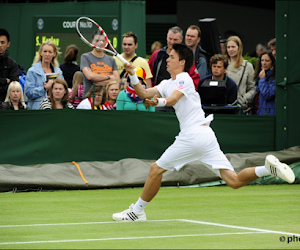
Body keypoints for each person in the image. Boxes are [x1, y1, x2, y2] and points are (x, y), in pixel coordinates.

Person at [112, 43, 295, 222]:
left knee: (155, 169)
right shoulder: (167, 83)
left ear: (182, 61)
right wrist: (133, 74)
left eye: (172, 57)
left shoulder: (184, 78)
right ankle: (267, 169)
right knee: (234, 181)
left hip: (193, 136)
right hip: (206, 136)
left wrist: (158, 103)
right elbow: (143, 93)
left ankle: (136, 212)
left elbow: (174, 98)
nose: (167, 59)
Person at [148, 26, 200, 112]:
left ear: (181, 39)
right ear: (166, 37)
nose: (172, 42)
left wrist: (183, 94)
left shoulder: (185, 57)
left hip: (179, 101)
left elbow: (194, 81)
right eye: (170, 39)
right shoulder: (157, 55)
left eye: (175, 40)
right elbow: (149, 75)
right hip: (160, 98)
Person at [25, 40, 63, 110]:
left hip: (54, 110)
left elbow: (63, 91)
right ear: (40, 53)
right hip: (37, 111)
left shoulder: (58, 72)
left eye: (50, 52)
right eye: (45, 51)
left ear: (54, 54)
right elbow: (29, 93)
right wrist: (44, 88)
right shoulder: (32, 71)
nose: (47, 54)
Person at [81, 30, 120, 98]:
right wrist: (109, 77)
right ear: (92, 41)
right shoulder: (85, 57)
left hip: (107, 101)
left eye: (102, 41)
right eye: (97, 40)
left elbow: (117, 80)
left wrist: (95, 79)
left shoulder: (111, 60)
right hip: (90, 99)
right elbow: (89, 76)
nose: (99, 43)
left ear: (106, 43)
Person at [223, 36, 256, 108]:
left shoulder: (247, 66)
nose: (230, 49)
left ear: (239, 48)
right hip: (224, 105)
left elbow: (253, 88)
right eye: (228, 47)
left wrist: (243, 99)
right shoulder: (222, 65)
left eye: (233, 47)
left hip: (240, 106)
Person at [250, 51, 276, 115]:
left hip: (268, 114)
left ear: (272, 63)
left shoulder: (274, 78)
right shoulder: (260, 76)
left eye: (267, 61)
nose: (264, 63)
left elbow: (268, 95)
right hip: (259, 112)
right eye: (262, 60)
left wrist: (262, 80)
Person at [0, 28, 19, 103]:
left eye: (2, 42)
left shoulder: (13, 64)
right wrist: (4, 81)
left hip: (7, 106)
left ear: (8, 44)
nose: (0, 45)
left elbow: (14, 87)